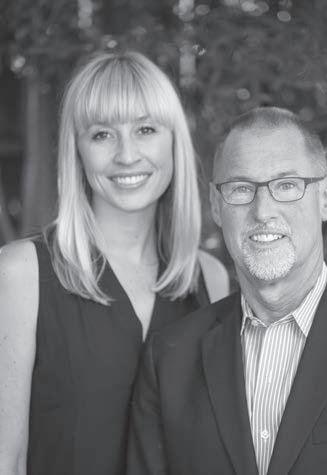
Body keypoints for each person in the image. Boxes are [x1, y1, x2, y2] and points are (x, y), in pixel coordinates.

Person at [0, 50, 230, 475]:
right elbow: (5, 458)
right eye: (102, 134)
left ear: (174, 141)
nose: (127, 155)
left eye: (145, 129)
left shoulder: (210, 280)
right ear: (77, 151)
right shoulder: (20, 274)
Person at [127, 106, 327, 475]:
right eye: (241, 188)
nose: (263, 211)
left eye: (287, 185)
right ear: (216, 205)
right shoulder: (169, 359)